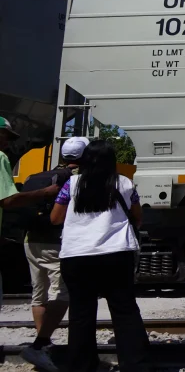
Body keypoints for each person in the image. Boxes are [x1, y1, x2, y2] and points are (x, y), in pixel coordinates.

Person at [50, 139, 147, 372]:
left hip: (76, 255)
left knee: (81, 313)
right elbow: (137, 215)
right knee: (125, 311)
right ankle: (134, 365)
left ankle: (82, 365)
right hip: (116, 254)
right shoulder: (124, 183)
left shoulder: (71, 185)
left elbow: (55, 218)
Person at [18, 137, 85, 372]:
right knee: (63, 293)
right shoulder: (76, 180)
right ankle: (41, 344)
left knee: (39, 293)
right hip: (56, 242)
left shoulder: (37, 176)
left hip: (31, 239)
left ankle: (43, 345)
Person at [0, 117, 61, 311]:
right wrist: (45, 193)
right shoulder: (0, 157)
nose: (7, 142)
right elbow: (7, 200)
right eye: (5, 136)